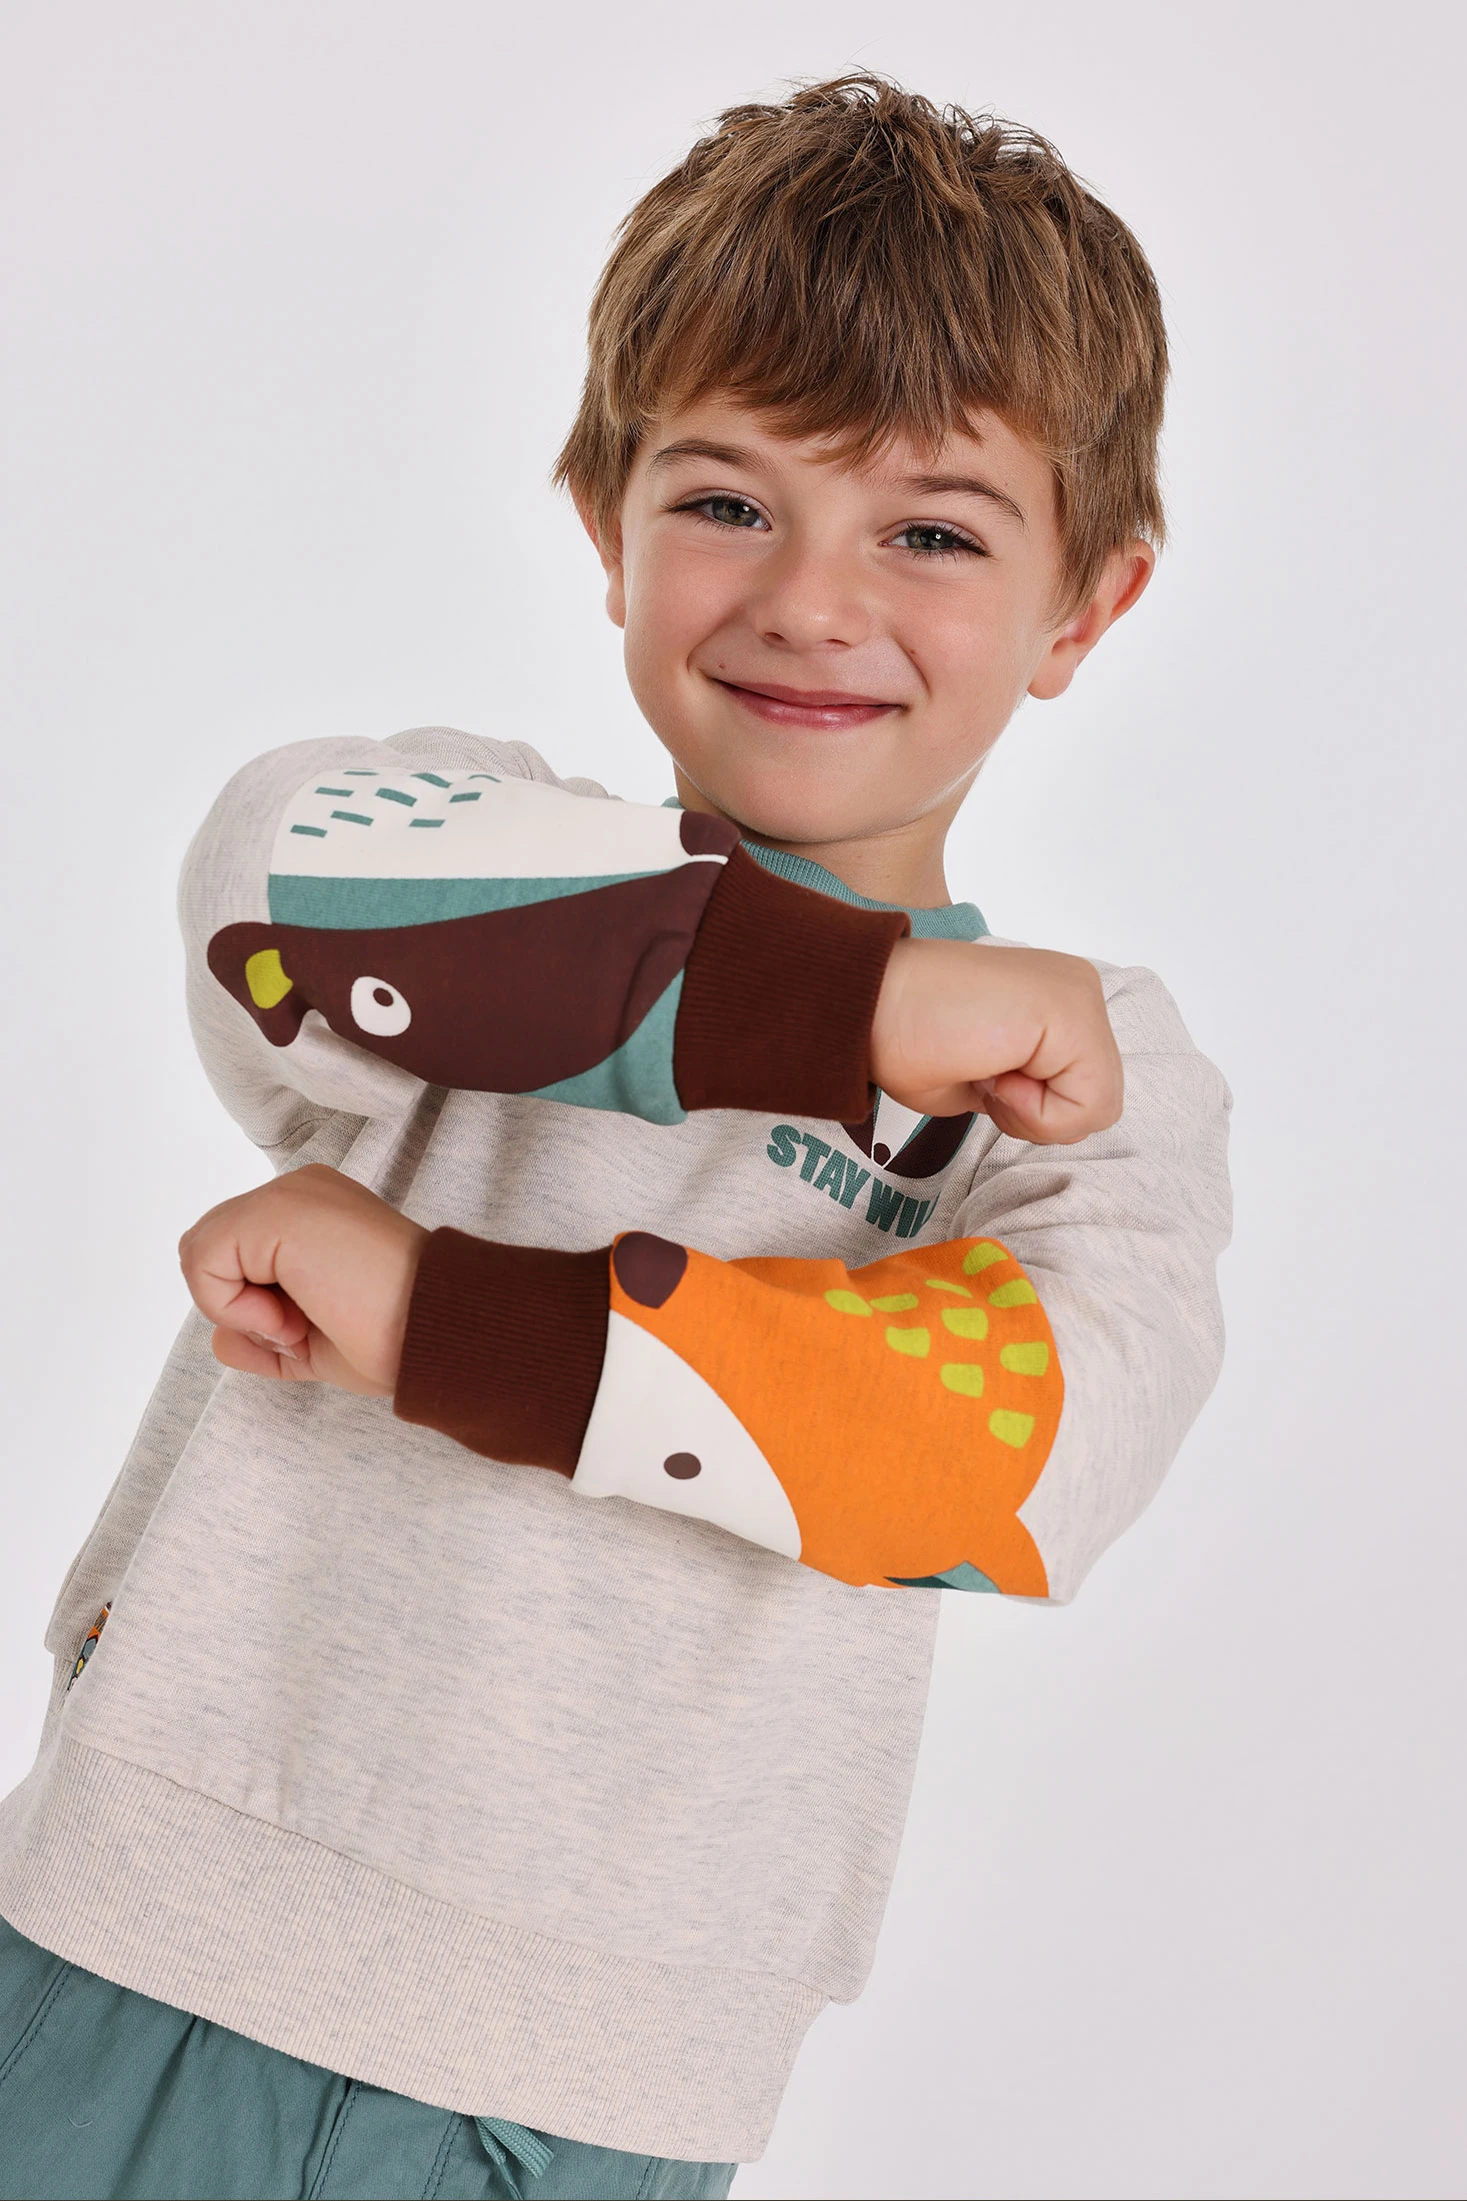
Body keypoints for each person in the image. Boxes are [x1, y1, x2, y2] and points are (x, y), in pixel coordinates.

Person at [0, 74, 1231, 2201]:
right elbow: (264, 896)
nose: (811, 599)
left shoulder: (1092, 1071)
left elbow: (1016, 1460)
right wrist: (850, 1004)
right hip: (142, 1931)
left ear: (1084, 608)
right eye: (729, 499)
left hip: (583, 2080)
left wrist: (444, 1320)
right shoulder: (461, 851)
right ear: (604, 520)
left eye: (932, 531)